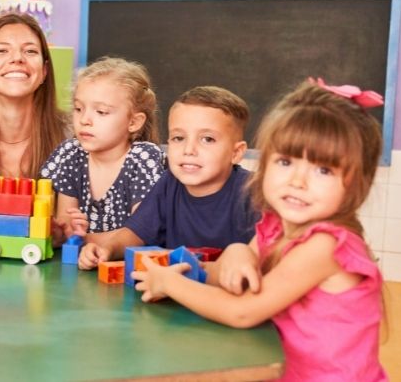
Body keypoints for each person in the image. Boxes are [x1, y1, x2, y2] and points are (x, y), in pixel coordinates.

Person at [134, 80, 387, 381]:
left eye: (323, 170)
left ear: (357, 184)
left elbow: (243, 312)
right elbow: (222, 275)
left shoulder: (326, 246)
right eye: (285, 161)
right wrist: (234, 253)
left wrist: (170, 282)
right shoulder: (275, 228)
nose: (298, 181)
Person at [78, 86, 255, 270]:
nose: (188, 150)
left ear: (236, 153)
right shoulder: (170, 182)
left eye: (207, 139)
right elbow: (135, 233)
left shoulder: (254, 193)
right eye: (179, 138)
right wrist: (107, 249)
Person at [0, 13, 68, 230]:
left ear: (44, 71)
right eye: (2, 50)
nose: (17, 58)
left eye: (30, 51)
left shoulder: (72, 139)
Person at [40, 57, 163, 234]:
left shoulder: (143, 159)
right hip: (81, 259)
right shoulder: (71, 154)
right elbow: (66, 225)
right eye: (78, 109)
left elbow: (139, 234)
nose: (84, 120)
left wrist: (89, 241)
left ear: (134, 122)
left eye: (101, 112)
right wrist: (70, 231)